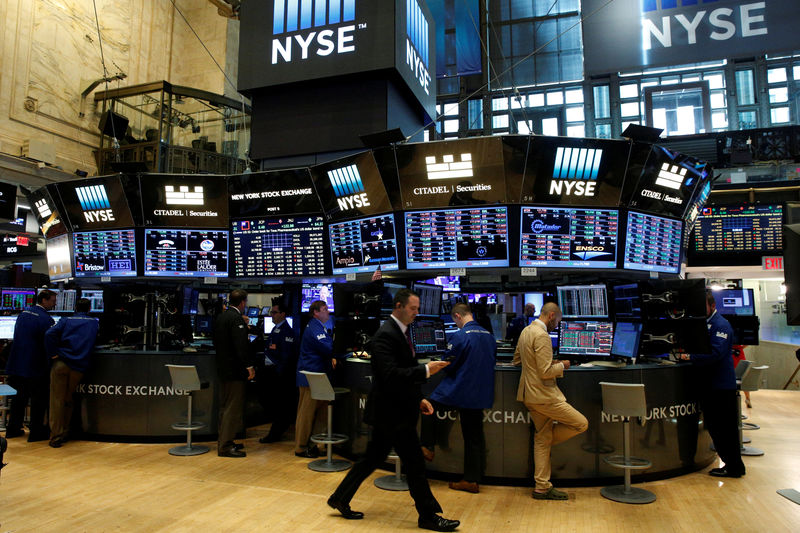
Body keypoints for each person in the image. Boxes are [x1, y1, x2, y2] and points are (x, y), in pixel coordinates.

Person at [328, 289, 460, 532]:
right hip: (392, 413)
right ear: (398, 306)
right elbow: (390, 377)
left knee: (371, 460)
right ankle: (428, 516)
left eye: (418, 308)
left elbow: (402, 375)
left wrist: (419, 398)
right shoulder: (384, 336)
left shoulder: (402, 332)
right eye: (413, 308)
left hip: (393, 411)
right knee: (414, 464)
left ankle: (340, 497)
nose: (417, 313)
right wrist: (426, 370)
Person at [513, 302, 588, 500]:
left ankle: (542, 487)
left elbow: (517, 361)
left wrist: (544, 363)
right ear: (552, 315)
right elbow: (545, 373)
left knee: (543, 438)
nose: (557, 325)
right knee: (581, 423)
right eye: (558, 321)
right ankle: (545, 443)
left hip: (529, 395)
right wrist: (562, 364)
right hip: (544, 397)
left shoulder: (526, 331)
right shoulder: (542, 335)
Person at [420, 303, 496, 493]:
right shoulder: (489, 336)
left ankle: (427, 446)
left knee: (427, 405)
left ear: (457, 316)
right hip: (479, 393)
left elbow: (449, 363)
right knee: (474, 437)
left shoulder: (460, 336)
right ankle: (471, 480)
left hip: (459, 390)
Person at [679, 291, 746, 478]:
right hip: (711, 386)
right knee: (716, 428)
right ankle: (731, 465)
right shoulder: (707, 324)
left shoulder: (720, 325)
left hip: (721, 387)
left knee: (725, 429)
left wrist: (690, 356)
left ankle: (734, 467)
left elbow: (714, 354)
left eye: (703, 307)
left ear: (713, 306)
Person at [44, 298, 99, 448]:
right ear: (89, 309)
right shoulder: (94, 322)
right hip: (79, 366)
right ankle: (66, 431)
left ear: (75, 307)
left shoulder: (65, 320)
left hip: (61, 363)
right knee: (68, 399)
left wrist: (53, 354)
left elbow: (49, 334)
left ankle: (56, 436)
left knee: (57, 400)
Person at [4, 289, 57, 441]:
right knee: (38, 401)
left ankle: (13, 430)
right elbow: (48, 343)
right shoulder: (46, 320)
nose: (54, 304)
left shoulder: (23, 314)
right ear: (44, 300)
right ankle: (36, 433)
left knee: (18, 400)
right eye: (53, 301)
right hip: (35, 366)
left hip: (16, 364)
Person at [213, 289, 256, 458]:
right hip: (234, 372)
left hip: (223, 369)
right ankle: (225, 446)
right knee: (232, 409)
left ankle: (225, 440)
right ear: (243, 302)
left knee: (224, 408)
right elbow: (241, 347)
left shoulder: (222, 316)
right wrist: (249, 366)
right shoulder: (235, 318)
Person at [294, 300, 335, 458]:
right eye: (325, 309)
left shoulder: (319, 326)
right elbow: (327, 347)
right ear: (316, 312)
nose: (328, 312)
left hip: (318, 376)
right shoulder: (315, 327)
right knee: (306, 413)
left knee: (320, 412)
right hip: (310, 376)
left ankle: (316, 443)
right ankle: (301, 447)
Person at [259, 301, 298, 443]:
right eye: (271, 313)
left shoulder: (287, 332)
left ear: (283, 314)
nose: (272, 315)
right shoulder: (276, 329)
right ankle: (277, 430)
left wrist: (278, 374)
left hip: (281, 376)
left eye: (274, 312)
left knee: (281, 406)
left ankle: (275, 433)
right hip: (273, 373)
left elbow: (286, 357)